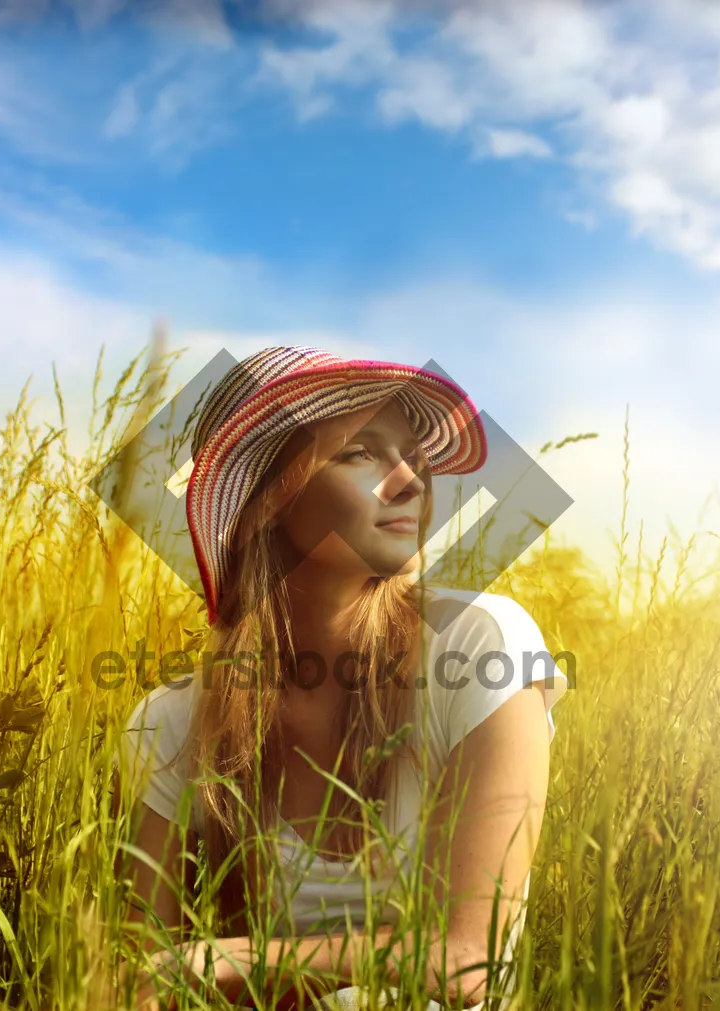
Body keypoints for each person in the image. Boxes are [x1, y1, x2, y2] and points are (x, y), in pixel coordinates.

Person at [105, 346, 568, 1011]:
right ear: (266, 497)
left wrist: (237, 959)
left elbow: (471, 961)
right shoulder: (172, 722)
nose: (410, 481)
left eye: (415, 455)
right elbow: (144, 975)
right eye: (361, 454)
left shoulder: (481, 643)